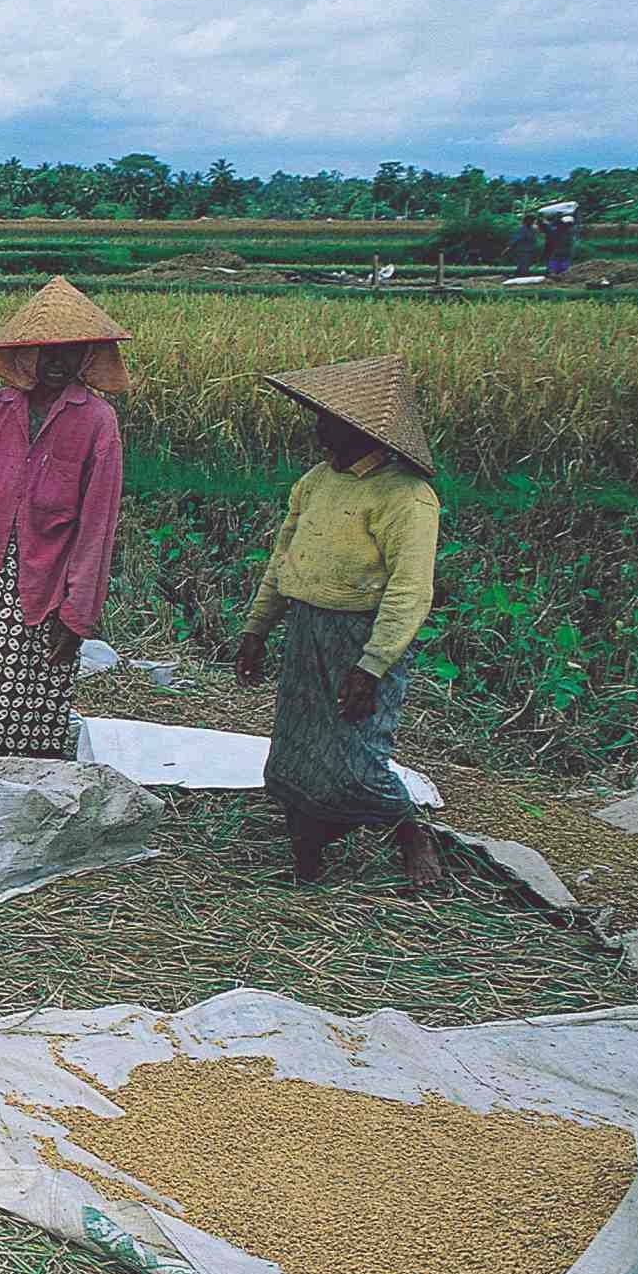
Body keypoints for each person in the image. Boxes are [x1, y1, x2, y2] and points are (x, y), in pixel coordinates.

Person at [235, 354, 445, 890]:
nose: (320, 433)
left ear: (366, 431)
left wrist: (372, 666)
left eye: (332, 424)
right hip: (307, 627)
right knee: (294, 756)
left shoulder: (407, 498)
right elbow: (285, 559)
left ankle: (410, 834)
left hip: (362, 635)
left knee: (357, 759)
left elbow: (410, 589)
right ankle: (308, 855)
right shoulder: (315, 483)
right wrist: (257, 629)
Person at [0, 276, 128, 759]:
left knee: (29, 712)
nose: (56, 364)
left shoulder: (95, 421)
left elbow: (96, 528)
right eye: (45, 351)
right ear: (23, 355)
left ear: (87, 357)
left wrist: (77, 614)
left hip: (48, 587)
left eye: (69, 352)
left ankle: (15, 803)